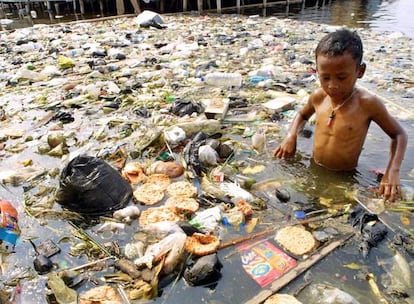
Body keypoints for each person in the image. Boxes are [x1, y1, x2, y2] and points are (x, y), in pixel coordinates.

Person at [273, 28, 407, 202]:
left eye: (341, 77)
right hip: (314, 167)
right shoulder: (319, 97)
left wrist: (392, 171)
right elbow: (301, 115)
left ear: (360, 71)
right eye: (325, 77)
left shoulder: (367, 104)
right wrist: (291, 136)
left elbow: (399, 135)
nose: (332, 85)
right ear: (317, 72)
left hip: (346, 177)